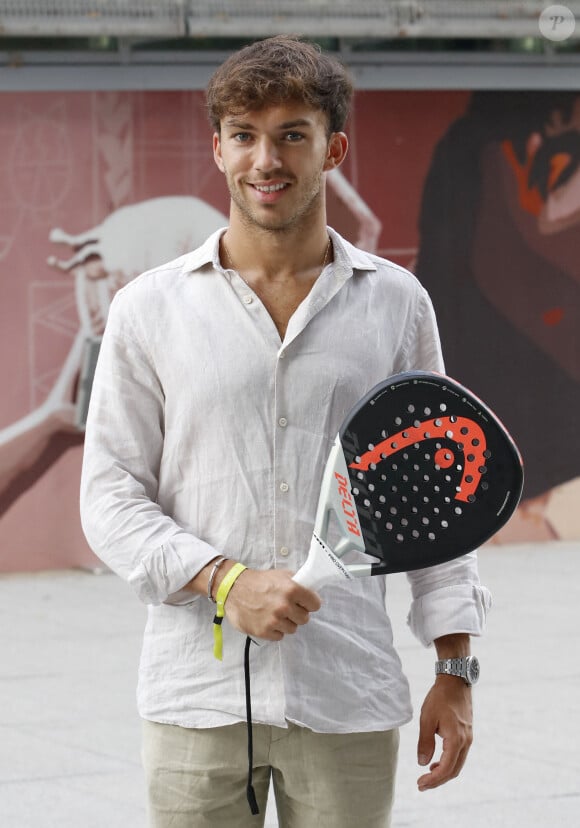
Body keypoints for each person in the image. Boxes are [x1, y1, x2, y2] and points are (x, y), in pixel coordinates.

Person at [80, 35, 491, 828]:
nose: (266, 159)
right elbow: (109, 497)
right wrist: (225, 582)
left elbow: (441, 498)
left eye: (292, 134)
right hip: (194, 700)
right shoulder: (148, 309)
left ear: (333, 148)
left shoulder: (397, 305)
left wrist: (457, 668)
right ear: (218, 147)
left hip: (347, 692)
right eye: (244, 134)